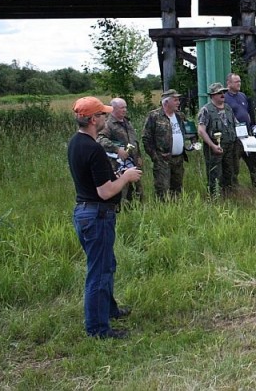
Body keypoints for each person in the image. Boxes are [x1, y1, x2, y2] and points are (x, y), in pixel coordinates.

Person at [68, 96, 142, 339]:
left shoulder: (76, 143)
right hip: (97, 215)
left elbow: (95, 180)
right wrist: (126, 177)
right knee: (98, 272)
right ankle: (98, 329)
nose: (105, 118)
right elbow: (105, 191)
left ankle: (109, 310)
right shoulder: (94, 149)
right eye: (102, 115)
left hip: (86, 212)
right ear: (92, 120)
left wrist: (115, 174)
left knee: (106, 265)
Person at [142, 89, 187, 199]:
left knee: (177, 189)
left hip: (178, 159)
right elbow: (146, 138)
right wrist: (155, 156)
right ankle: (164, 210)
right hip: (163, 160)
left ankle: (177, 209)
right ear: (166, 102)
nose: (178, 102)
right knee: (163, 190)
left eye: (178, 100)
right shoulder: (154, 116)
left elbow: (187, 132)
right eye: (175, 100)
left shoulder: (179, 116)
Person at [97, 97, 143, 204]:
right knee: (123, 192)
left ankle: (138, 211)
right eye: (122, 108)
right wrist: (117, 149)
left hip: (133, 162)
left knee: (138, 191)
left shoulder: (127, 122)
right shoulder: (108, 124)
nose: (125, 110)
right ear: (113, 109)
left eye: (125, 107)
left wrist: (139, 156)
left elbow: (134, 141)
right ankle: (122, 212)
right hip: (118, 165)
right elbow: (100, 139)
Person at [198, 82, 241, 196]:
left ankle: (229, 196)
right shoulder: (206, 110)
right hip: (214, 149)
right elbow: (201, 130)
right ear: (212, 95)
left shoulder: (228, 108)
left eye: (223, 92)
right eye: (219, 93)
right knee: (215, 175)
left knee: (230, 172)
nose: (223, 95)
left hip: (230, 147)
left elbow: (236, 125)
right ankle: (215, 198)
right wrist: (212, 145)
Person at [224, 73, 256, 187]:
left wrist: (254, 126)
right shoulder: (225, 98)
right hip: (235, 138)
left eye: (240, 81)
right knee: (233, 166)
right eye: (236, 81)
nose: (239, 84)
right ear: (229, 83)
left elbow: (249, 114)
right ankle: (233, 189)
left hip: (248, 136)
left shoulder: (242, 96)